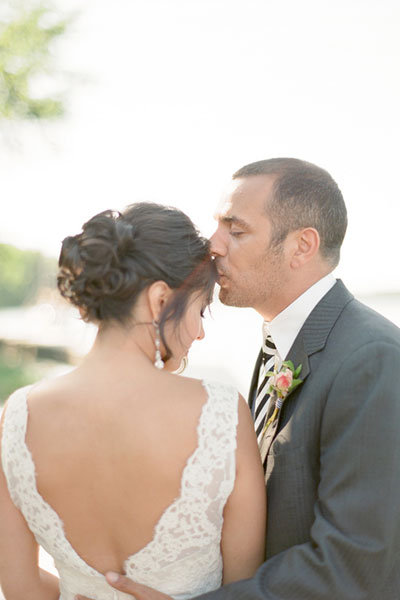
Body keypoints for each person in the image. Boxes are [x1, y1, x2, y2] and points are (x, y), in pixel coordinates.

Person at [81, 158, 400, 600]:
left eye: (236, 229)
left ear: (302, 246)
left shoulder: (373, 358)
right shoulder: (281, 344)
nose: (213, 245)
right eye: (218, 227)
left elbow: (353, 566)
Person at [0, 202, 266, 600]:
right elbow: (244, 590)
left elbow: (21, 588)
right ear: (160, 300)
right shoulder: (222, 414)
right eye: (200, 310)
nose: (199, 333)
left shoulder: (18, 415)